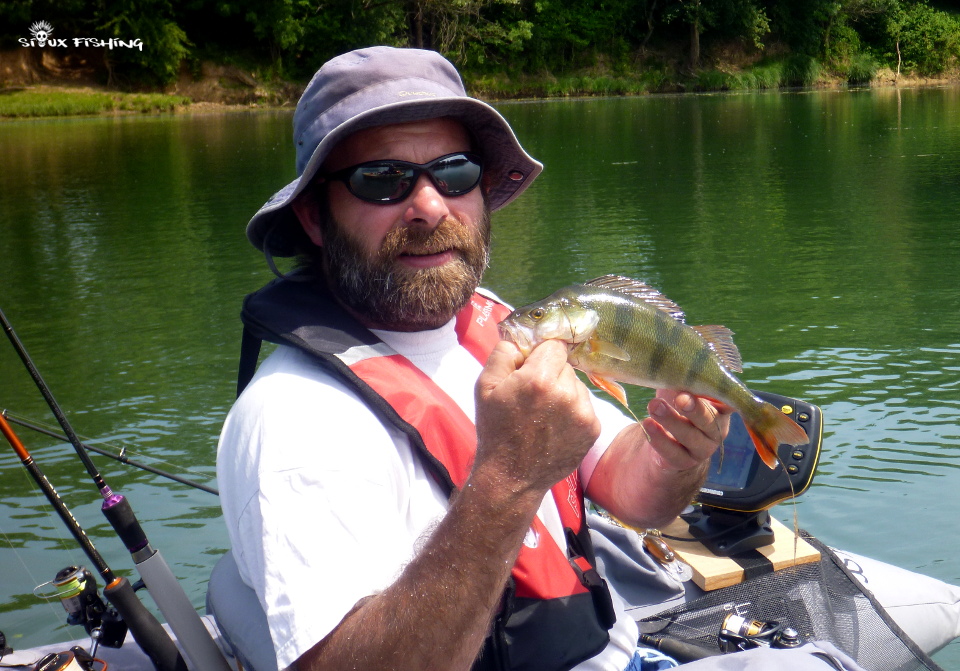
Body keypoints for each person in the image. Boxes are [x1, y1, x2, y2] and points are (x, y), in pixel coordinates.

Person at [215, 46, 946, 671]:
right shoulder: (294, 423)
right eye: (383, 180)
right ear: (314, 216)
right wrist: (508, 476)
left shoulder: (492, 324)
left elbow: (629, 486)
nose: (430, 206)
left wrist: (677, 453)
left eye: (457, 172)